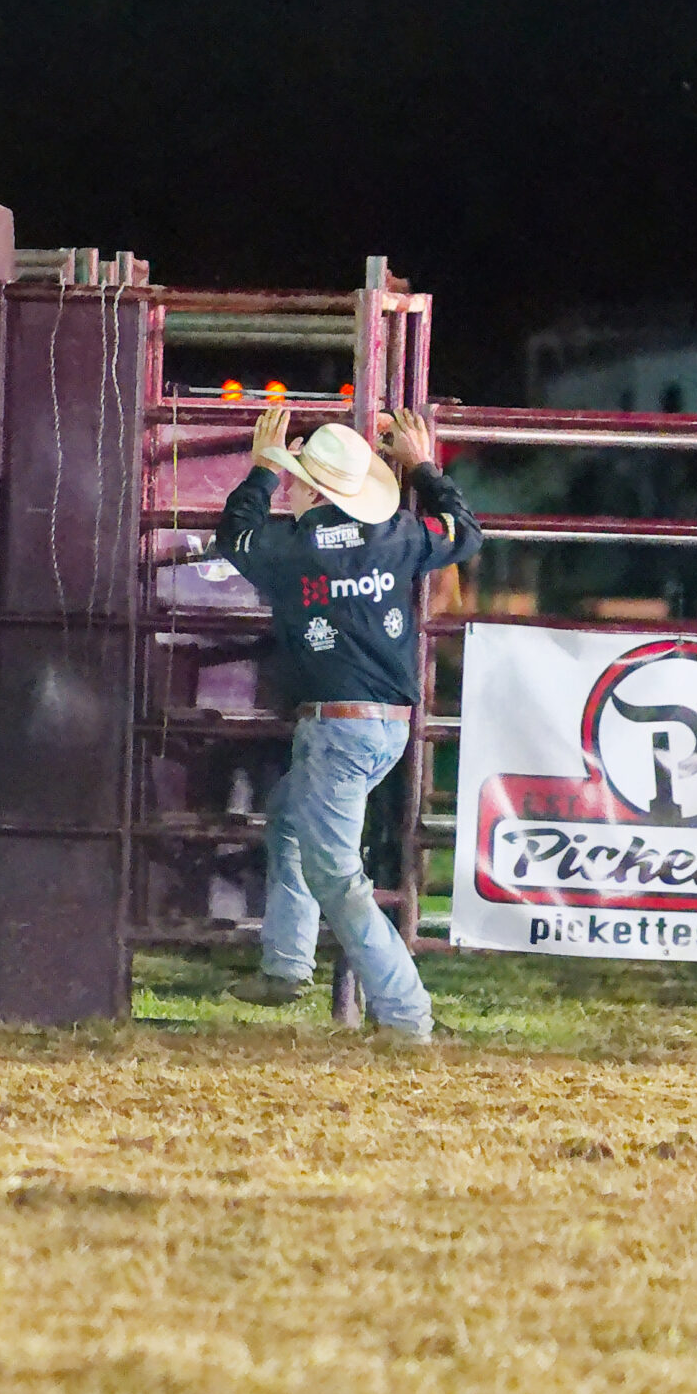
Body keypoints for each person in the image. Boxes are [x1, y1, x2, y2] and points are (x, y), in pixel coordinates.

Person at [216, 408, 481, 1040]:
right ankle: (286, 964)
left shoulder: (293, 550)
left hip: (335, 729)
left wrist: (261, 469)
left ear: (308, 488)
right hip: (384, 726)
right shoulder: (398, 535)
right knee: (289, 819)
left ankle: (407, 1015)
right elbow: (465, 533)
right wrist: (423, 466)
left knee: (334, 870)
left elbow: (234, 536)